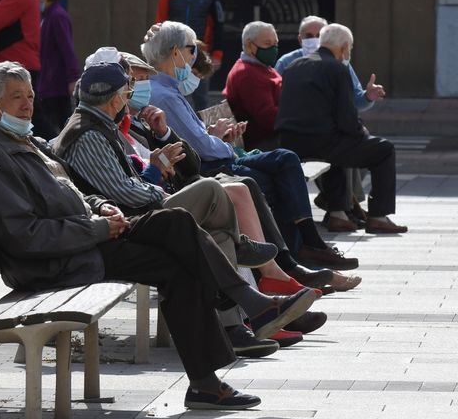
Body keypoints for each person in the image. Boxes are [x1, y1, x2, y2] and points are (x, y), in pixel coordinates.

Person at [0, 61, 316, 410]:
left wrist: (100, 207)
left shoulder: (22, 138)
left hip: (84, 241)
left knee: (175, 230)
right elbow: (27, 236)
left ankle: (215, 366)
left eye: (30, 95)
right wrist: (98, 226)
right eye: (16, 97)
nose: (27, 104)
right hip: (55, 261)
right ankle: (245, 308)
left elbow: (71, 191)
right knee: (177, 239)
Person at [141, 21, 358, 271]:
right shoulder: (165, 94)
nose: (194, 57)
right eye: (192, 50)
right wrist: (225, 145)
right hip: (210, 165)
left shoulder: (171, 90)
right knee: (267, 177)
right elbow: (203, 146)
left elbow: (198, 139)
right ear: (176, 51)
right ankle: (292, 256)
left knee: (285, 160)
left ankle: (303, 248)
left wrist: (217, 136)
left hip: (217, 155)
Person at [277, 24, 407, 234]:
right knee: (384, 149)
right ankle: (378, 216)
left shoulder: (294, 66)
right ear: (345, 46)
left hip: (291, 141)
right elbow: (346, 117)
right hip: (323, 143)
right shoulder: (338, 68)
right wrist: (360, 133)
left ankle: (338, 213)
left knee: (337, 151)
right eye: (350, 48)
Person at [154, 0, 224, 110]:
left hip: (200, 53)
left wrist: (217, 54)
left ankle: (202, 132)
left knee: (202, 100)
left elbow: (219, 25)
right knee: (173, 96)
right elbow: (160, 24)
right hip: (174, 54)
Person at [223, 21, 283, 151]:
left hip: (274, 137)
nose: (274, 49)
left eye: (275, 44)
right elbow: (267, 118)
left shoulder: (262, 67)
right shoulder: (247, 73)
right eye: (267, 44)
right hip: (263, 143)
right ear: (249, 46)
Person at [33, 0, 79, 138]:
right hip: (48, 83)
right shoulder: (46, 17)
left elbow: (67, 49)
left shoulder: (57, 16)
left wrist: (72, 78)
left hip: (56, 84)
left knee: (58, 125)